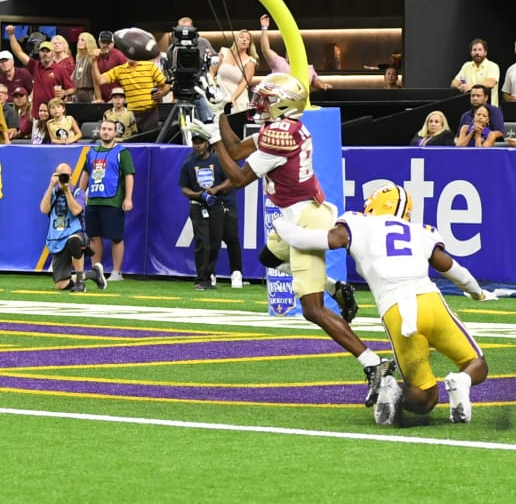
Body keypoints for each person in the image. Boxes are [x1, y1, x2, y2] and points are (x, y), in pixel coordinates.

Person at [210, 72, 392, 407]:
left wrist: (212, 140)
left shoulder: (279, 137)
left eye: (266, 100)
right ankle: (336, 285)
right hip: (296, 216)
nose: (259, 105)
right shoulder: (286, 127)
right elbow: (236, 148)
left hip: (305, 220)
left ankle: (373, 364)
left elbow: (237, 176)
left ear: (283, 105)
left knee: (312, 309)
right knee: (269, 258)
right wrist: (219, 114)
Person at [273, 183, 496, 425]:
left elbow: (313, 240)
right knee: (477, 364)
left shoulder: (358, 222)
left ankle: (394, 393)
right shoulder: (420, 231)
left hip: (398, 312)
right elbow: (453, 269)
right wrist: (477, 293)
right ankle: (462, 381)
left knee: (425, 398)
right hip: (431, 302)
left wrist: (281, 223)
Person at [79, 119, 135, 282]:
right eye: (103, 129)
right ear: (99, 131)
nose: (106, 132)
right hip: (93, 200)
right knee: (94, 237)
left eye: (109, 129)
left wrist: (128, 198)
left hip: (113, 200)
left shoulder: (121, 152)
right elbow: (86, 174)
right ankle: (97, 270)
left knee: (116, 237)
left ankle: (117, 272)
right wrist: (80, 194)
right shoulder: (91, 152)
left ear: (115, 133)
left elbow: (129, 176)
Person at [39, 162, 108, 293]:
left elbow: (77, 210)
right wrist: (51, 186)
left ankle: (80, 283)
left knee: (74, 241)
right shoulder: (51, 192)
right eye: (60, 175)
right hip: (57, 240)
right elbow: (44, 209)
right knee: (61, 285)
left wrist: (66, 191)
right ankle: (93, 274)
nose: (63, 178)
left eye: (66, 176)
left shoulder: (78, 192)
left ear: (71, 177)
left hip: (76, 235)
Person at [179, 129, 233, 290]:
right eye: (195, 143)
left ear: (207, 144)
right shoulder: (188, 163)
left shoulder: (218, 161)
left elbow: (231, 179)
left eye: (200, 143)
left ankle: (209, 276)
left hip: (216, 205)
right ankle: (200, 278)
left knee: (215, 242)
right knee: (203, 242)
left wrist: (217, 190)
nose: (197, 146)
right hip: (198, 206)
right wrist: (198, 195)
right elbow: (184, 188)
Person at [91, 49, 171, 133]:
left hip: (150, 114)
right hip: (132, 115)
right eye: (127, 54)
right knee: (132, 143)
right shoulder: (119, 70)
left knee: (150, 142)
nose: (130, 56)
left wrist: (162, 93)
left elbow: (167, 84)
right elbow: (99, 81)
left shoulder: (150, 66)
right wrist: (94, 62)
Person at [7, 27, 75, 118]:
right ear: (39, 53)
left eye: (48, 51)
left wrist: (65, 92)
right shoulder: (35, 66)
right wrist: (11, 35)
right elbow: (19, 53)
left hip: (54, 116)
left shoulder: (60, 69)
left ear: (53, 53)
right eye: (42, 51)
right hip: (37, 115)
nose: (45, 53)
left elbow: (72, 89)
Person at [259, 14, 332, 91]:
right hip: (280, 100)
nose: (292, 53)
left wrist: (323, 85)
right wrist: (264, 28)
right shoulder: (279, 62)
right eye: (289, 51)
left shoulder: (308, 68)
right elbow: (266, 49)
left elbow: (315, 81)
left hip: (300, 101)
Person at [210, 29, 259, 113]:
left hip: (238, 99)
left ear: (249, 44)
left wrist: (232, 98)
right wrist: (212, 87)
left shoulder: (250, 62)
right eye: (242, 37)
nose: (244, 40)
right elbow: (212, 70)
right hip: (220, 96)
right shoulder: (223, 52)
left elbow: (244, 83)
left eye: (247, 39)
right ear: (236, 40)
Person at [450, 38, 501, 107]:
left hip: (489, 109)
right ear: (471, 53)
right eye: (474, 50)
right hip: (470, 108)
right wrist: (461, 87)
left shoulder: (492, 66)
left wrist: (471, 87)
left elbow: (490, 83)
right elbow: (453, 83)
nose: (477, 52)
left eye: (480, 50)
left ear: (485, 52)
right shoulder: (466, 66)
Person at [96, 31, 128, 102]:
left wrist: (122, 97)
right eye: (103, 42)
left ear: (113, 43)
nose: (106, 45)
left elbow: (127, 76)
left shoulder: (119, 56)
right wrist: (99, 98)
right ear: (99, 43)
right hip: (102, 97)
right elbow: (95, 79)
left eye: (108, 43)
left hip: (118, 96)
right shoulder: (96, 56)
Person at [71, 32, 101, 103]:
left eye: (82, 40)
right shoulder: (79, 58)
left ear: (89, 42)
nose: (79, 42)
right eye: (78, 40)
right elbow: (72, 78)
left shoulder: (92, 58)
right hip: (77, 94)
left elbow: (95, 80)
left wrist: (98, 97)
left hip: (89, 93)